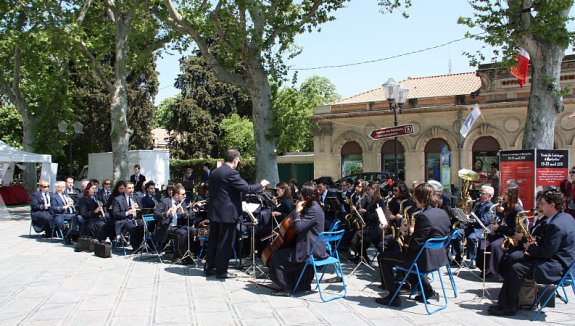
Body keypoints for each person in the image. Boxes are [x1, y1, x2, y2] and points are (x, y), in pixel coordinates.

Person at [487, 189, 575, 316]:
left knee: (517, 268)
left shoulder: (556, 225)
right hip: (557, 259)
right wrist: (529, 241)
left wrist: (529, 247)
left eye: (543, 203)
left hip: (558, 266)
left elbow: (546, 253)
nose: (540, 206)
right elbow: (548, 244)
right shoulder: (564, 217)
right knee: (512, 259)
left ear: (552, 205)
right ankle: (509, 300)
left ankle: (508, 306)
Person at [375, 183, 450, 307]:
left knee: (383, 257)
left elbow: (414, 245)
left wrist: (407, 233)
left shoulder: (423, 216)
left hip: (423, 261)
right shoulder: (442, 212)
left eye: (415, 197)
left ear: (420, 198)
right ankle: (427, 290)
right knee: (409, 257)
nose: (414, 200)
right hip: (438, 259)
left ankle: (392, 296)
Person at [205, 149, 269, 279]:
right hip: (227, 214)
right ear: (235, 160)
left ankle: (209, 267)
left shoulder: (214, 172)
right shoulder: (231, 173)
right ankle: (221, 271)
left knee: (213, 240)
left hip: (215, 212)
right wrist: (261, 185)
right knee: (225, 242)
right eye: (238, 161)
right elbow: (247, 188)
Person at [268, 182, 327, 296]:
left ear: (305, 195)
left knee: (276, 256)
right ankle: (300, 284)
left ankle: (286, 287)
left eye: (301, 194)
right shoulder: (314, 205)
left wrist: (297, 211)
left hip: (310, 249)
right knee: (286, 251)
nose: (299, 197)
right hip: (312, 245)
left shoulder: (313, 209)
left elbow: (299, 227)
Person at [476, 186, 524, 280]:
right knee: (484, 240)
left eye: (505, 194)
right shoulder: (506, 206)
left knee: (495, 245)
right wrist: (499, 215)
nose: (503, 196)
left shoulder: (517, 210)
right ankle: (485, 268)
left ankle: (499, 272)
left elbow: (514, 230)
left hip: (511, 236)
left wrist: (499, 228)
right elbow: (501, 221)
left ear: (511, 196)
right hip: (502, 233)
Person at [154, 185, 195, 264]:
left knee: (193, 231)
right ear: (176, 195)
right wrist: (166, 213)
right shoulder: (164, 201)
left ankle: (189, 254)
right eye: (183, 194)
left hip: (179, 226)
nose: (184, 196)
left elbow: (188, 216)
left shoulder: (182, 203)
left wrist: (183, 213)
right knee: (182, 233)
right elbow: (156, 214)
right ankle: (177, 256)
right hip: (167, 227)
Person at [112, 181, 144, 250]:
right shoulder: (117, 199)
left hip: (135, 219)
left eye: (132, 188)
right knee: (132, 226)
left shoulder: (137, 198)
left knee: (142, 225)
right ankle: (135, 246)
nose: (131, 190)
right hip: (123, 220)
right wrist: (127, 213)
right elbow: (115, 214)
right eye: (129, 188)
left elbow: (142, 211)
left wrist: (138, 209)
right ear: (125, 189)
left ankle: (139, 245)